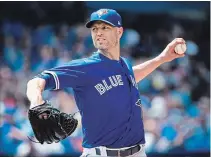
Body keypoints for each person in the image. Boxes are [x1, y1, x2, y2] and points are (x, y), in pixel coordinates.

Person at [26, 8, 186, 157]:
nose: (99, 33)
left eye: (105, 28)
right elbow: (36, 81)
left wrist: (162, 58)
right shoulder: (85, 67)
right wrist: (36, 101)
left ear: (119, 32)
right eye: (95, 29)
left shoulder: (124, 65)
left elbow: (130, 76)